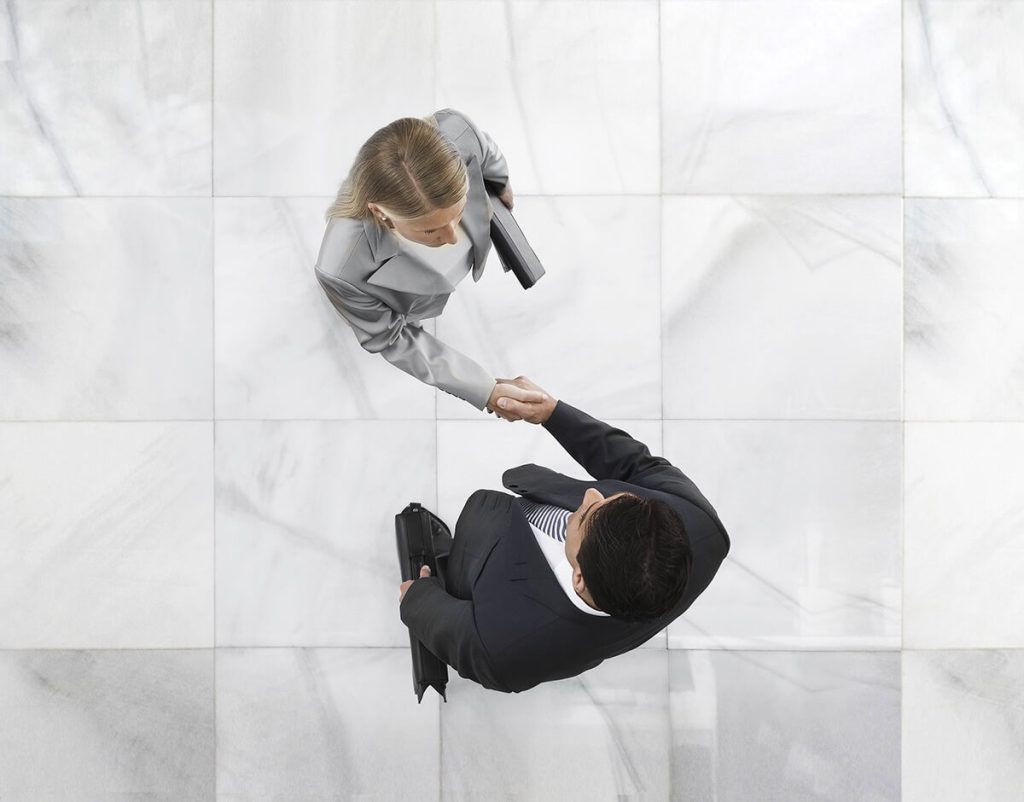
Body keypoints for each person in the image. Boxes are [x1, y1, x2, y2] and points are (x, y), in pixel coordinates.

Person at [398, 377, 731, 693]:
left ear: (580, 579)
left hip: (479, 575)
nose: (589, 495)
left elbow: (463, 639)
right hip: (511, 526)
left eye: (585, 517)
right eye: (612, 498)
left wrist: (417, 598)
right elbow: (637, 467)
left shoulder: (508, 648)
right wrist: (552, 413)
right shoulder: (700, 525)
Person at [315, 108, 541, 419]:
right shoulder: (341, 268)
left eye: (457, 213)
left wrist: (500, 184)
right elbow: (392, 338)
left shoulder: (459, 131)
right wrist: (484, 389)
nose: (450, 237)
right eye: (430, 230)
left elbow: (488, 155)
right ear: (381, 213)